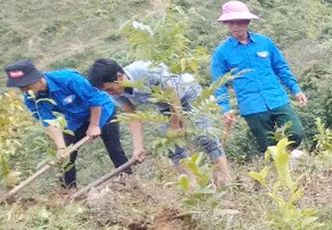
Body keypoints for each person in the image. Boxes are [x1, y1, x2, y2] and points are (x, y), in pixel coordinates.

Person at [87, 58, 233, 185]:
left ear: (119, 77)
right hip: (165, 106)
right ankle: (193, 187)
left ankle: (225, 181)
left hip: (188, 94)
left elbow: (172, 95)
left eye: (109, 89)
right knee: (172, 147)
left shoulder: (146, 71)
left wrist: (175, 126)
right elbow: (132, 116)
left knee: (205, 137)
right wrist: (138, 147)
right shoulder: (116, 92)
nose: (109, 93)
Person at [5, 60, 129, 188]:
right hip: (76, 119)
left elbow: (95, 99)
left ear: (36, 79)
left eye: (25, 86)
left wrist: (94, 125)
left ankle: (127, 179)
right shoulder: (32, 98)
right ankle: (68, 191)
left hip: (102, 110)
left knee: (114, 149)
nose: (24, 90)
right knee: (65, 157)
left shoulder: (68, 79)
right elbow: (49, 122)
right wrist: (61, 147)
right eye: (21, 88)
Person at [210, 0, 307, 154]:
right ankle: (281, 169)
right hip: (251, 106)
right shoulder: (221, 53)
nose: (236, 26)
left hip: (276, 98)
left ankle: (288, 154)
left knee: (296, 133)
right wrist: (225, 109)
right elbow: (219, 84)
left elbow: (281, 68)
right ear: (226, 24)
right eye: (231, 22)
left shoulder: (264, 42)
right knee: (269, 147)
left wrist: (295, 89)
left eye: (240, 21)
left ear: (247, 21)